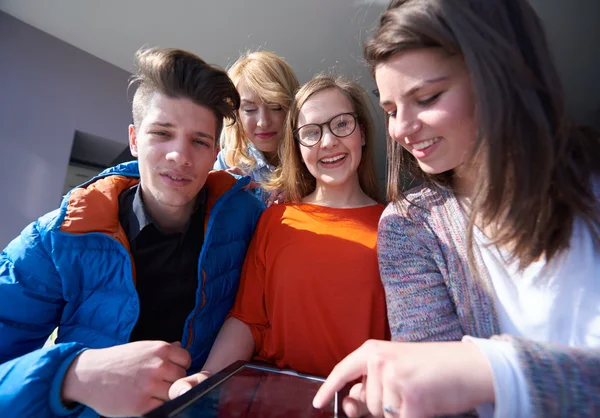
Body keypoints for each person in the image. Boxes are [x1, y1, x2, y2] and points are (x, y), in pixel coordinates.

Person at [313, 0, 600, 417]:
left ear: (501, 72)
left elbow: (463, 375)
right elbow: (436, 392)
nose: (401, 130)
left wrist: (494, 371)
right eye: (390, 111)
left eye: (427, 98)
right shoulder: (411, 226)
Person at [0, 47, 263, 417]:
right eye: (162, 133)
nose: (179, 156)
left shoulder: (250, 219)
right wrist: (71, 375)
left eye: (199, 141)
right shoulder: (56, 239)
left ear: (215, 152)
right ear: (135, 138)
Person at [169, 74, 390, 399]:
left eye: (341, 124)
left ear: (363, 133)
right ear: (298, 147)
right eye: (311, 133)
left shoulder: (396, 226)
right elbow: (247, 319)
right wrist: (208, 378)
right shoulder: (276, 220)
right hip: (269, 403)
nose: (327, 142)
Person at [213, 51, 300, 206]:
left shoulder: (311, 156)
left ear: (293, 107)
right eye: (249, 109)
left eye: (275, 107)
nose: (263, 122)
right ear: (236, 114)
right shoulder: (227, 161)